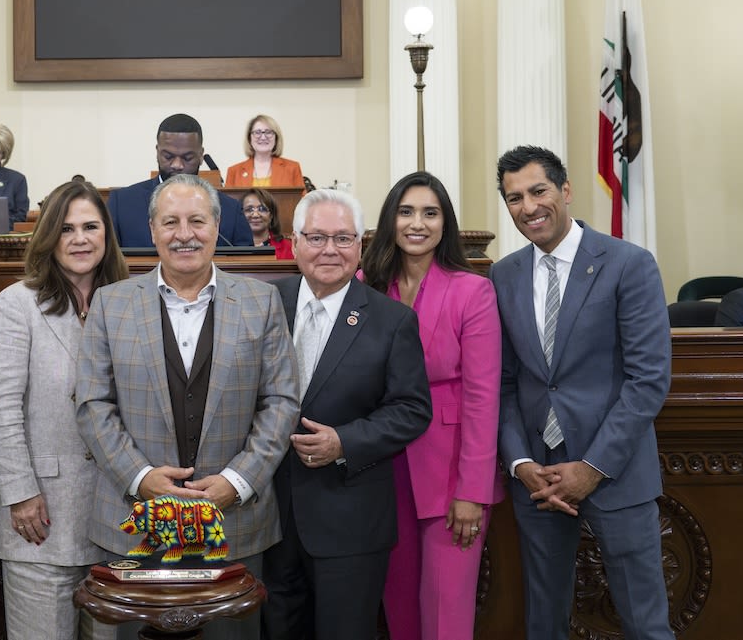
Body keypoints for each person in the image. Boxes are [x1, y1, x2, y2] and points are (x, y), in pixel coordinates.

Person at [77, 174, 298, 640]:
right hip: (132, 521)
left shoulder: (262, 302)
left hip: (233, 521)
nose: (184, 234)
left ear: (217, 227)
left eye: (197, 220)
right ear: (152, 230)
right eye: (171, 222)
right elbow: (94, 404)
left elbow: (280, 401)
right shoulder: (110, 303)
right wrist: (141, 478)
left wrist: (236, 482)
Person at [491, 146, 673, 640]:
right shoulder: (502, 275)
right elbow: (504, 382)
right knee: (543, 622)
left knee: (645, 623)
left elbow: (648, 379)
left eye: (538, 190)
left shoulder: (627, 264)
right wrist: (518, 462)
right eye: (514, 198)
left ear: (565, 191)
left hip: (615, 472)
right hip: (538, 477)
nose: (528, 207)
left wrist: (592, 468)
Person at [261, 189, 432, 640]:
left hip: (350, 520)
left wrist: (345, 442)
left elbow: (412, 409)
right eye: (316, 237)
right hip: (269, 519)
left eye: (343, 238)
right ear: (294, 243)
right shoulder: (261, 305)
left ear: (360, 246)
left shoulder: (391, 320)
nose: (329, 250)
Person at [0, 180, 128, 640]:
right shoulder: (18, 303)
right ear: (49, 237)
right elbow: (0, 409)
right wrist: (20, 493)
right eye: (66, 229)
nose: (80, 239)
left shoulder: (128, 303)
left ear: (107, 235)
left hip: (117, 520)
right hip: (40, 520)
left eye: (90, 226)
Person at [363, 172, 504, 640]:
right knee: (398, 609)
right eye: (405, 212)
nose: (416, 224)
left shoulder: (472, 290)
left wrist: (473, 492)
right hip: (381, 469)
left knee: (446, 612)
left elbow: (484, 399)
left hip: (449, 474)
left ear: (446, 222)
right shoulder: (366, 284)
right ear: (390, 220)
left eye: (430, 212)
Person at [106, 113, 254, 248]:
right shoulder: (122, 205)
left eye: (187, 158)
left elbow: (245, 269)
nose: (177, 165)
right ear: (157, 152)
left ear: (201, 155)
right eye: (168, 157)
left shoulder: (230, 210)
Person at [224, 114, 304, 188]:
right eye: (257, 132)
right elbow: (227, 203)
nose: (263, 137)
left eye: (268, 132)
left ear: (276, 138)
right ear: (249, 138)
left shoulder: (292, 168)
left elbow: (303, 202)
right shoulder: (234, 171)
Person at [240, 188, 294, 259]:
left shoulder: (288, 247)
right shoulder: (231, 246)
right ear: (240, 214)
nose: (255, 215)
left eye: (262, 209)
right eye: (249, 209)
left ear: (271, 215)